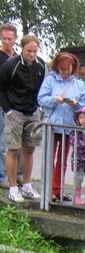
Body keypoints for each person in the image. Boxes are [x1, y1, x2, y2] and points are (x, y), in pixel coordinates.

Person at [0, 34, 46, 203]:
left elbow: (41, 88)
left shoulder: (40, 65)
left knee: (29, 148)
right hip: (15, 112)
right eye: (29, 51)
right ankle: (13, 188)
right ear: (22, 49)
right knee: (13, 150)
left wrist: (39, 107)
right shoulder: (10, 65)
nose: (32, 54)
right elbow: (1, 88)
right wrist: (8, 111)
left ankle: (27, 185)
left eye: (35, 51)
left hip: (32, 112)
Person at [37, 51, 85, 202]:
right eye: (62, 69)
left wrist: (75, 104)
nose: (65, 72)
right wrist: (55, 100)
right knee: (49, 158)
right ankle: (47, 190)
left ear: (73, 68)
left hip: (68, 127)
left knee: (62, 160)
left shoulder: (79, 84)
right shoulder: (50, 81)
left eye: (67, 69)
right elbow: (41, 99)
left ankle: (57, 190)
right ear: (57, 68)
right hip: (52, 126)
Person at [0, 23, 18, 189]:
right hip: (2, 102)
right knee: (2, 140)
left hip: (16, 104)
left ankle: (16, 175)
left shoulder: (18, 58)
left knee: (16, 141)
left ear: (15, 39)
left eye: (9, 39)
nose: (6, 42)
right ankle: (3, 175)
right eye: (4, 38)